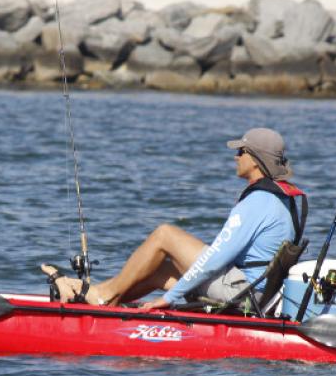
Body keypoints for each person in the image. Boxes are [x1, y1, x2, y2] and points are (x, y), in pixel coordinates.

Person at [41, 127, 307, 311]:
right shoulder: (283, 200)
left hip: (243, 296)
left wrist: (169, 298)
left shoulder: (257, 201)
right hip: (257, 293)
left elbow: (215, 259)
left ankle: (101, 296)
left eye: (241, 152)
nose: (235, 157)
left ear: (256, 159)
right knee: (162, 269)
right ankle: (105, 298)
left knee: (164, 235)